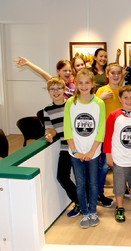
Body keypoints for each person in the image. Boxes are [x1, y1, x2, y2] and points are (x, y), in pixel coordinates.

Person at [64, 69, 106, 228]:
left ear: (92, 84)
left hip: (93, 152)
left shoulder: (99, 103)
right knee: (80, 183)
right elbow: (67, 129)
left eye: (87, 82)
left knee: (93, 183)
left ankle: (93, 210)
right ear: (76, 83)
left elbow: (100, 129)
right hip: (75, 152)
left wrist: (91, 151)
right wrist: (75, 151)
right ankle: (85, 212)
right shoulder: (70, 102)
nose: (83, 86)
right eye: (80, 82)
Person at [104, 85, 131, 222]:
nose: (129, 100)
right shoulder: (114, 116)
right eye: (125, 98)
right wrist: (108, 155)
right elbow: (108, 137)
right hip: (119, 158)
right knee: (119, 185)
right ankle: (120, 207)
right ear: (120, 99)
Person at [43, 77, 79, 217]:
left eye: (59, 88)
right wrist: (50, 135)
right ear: (49, 92)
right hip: (65, 148)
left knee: (82, 178)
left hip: (79, 147)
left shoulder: (72, 104)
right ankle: (79, 203)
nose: (56, 91)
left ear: (64, 90)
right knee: (62, 177)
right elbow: (51, 129)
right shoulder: (47, 110)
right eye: (52, 89)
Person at [95, 63, 126, 207]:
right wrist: (100, 98)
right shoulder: (102, 90)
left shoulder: (122, 91)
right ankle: (99, 193)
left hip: (119, 135)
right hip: (105, 134)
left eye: (118, 73)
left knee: (120, 164)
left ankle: (121, 189)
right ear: (107, 75)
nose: (115, 75)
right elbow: (92, 110)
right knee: (103, 166)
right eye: (112, 73)